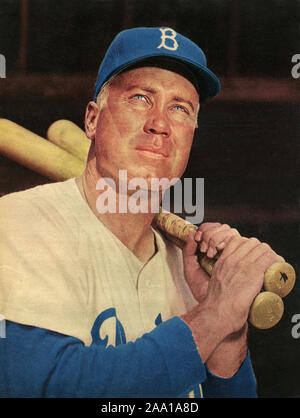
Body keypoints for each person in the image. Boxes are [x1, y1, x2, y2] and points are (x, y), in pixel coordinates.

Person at [0, 27, 283, 398]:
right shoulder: (23, 222)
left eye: (180, 108)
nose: (159, 124)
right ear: (91, 120)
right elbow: (43, 386)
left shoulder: (190, 267)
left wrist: (229, 329)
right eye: (139, 98)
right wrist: (214, 315)